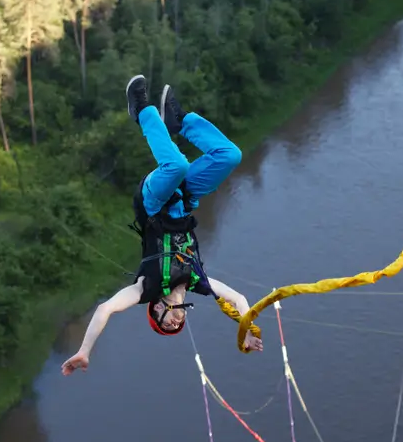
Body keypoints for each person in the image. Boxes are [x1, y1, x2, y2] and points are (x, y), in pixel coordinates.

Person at [61, 74, 264, 376]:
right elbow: (239, 299)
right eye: (175, 327)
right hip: (184, 199)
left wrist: (84, 351)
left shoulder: (146, 288)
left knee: (178, 164)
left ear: (156, 309)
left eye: (164, 325)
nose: (174, 325)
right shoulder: (197, 281)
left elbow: (105, 309)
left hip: (153, 204)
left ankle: (141, 110)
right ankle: (179, 121)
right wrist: (246, 330)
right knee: (229, 155)